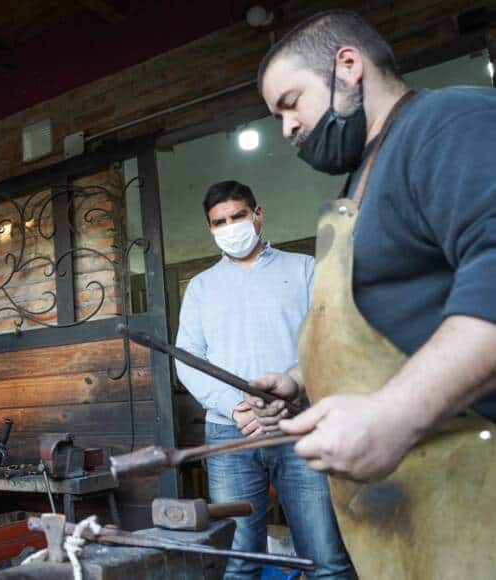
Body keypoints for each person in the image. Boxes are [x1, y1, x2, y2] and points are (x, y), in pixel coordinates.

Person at [253, 9, 496, 482]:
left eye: (291, 102)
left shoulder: (447, 123)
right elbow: (387, 320)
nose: (286, 128)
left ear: (348, 65)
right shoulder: (359, 184)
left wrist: (395, 413)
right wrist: (300, 381)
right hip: (424, 491)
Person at [174, 180, 352, 579]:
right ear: (210, 229)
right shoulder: (201, 287)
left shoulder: (304, 269)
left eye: (238, 215)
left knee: (325, 559)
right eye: (219, 221)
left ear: (258, 214)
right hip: (230, 434)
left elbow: (329, 342)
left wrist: (293, 391)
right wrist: (235, 407)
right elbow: (186, 360)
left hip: (299, 426)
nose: (230, 226)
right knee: (239, 563)